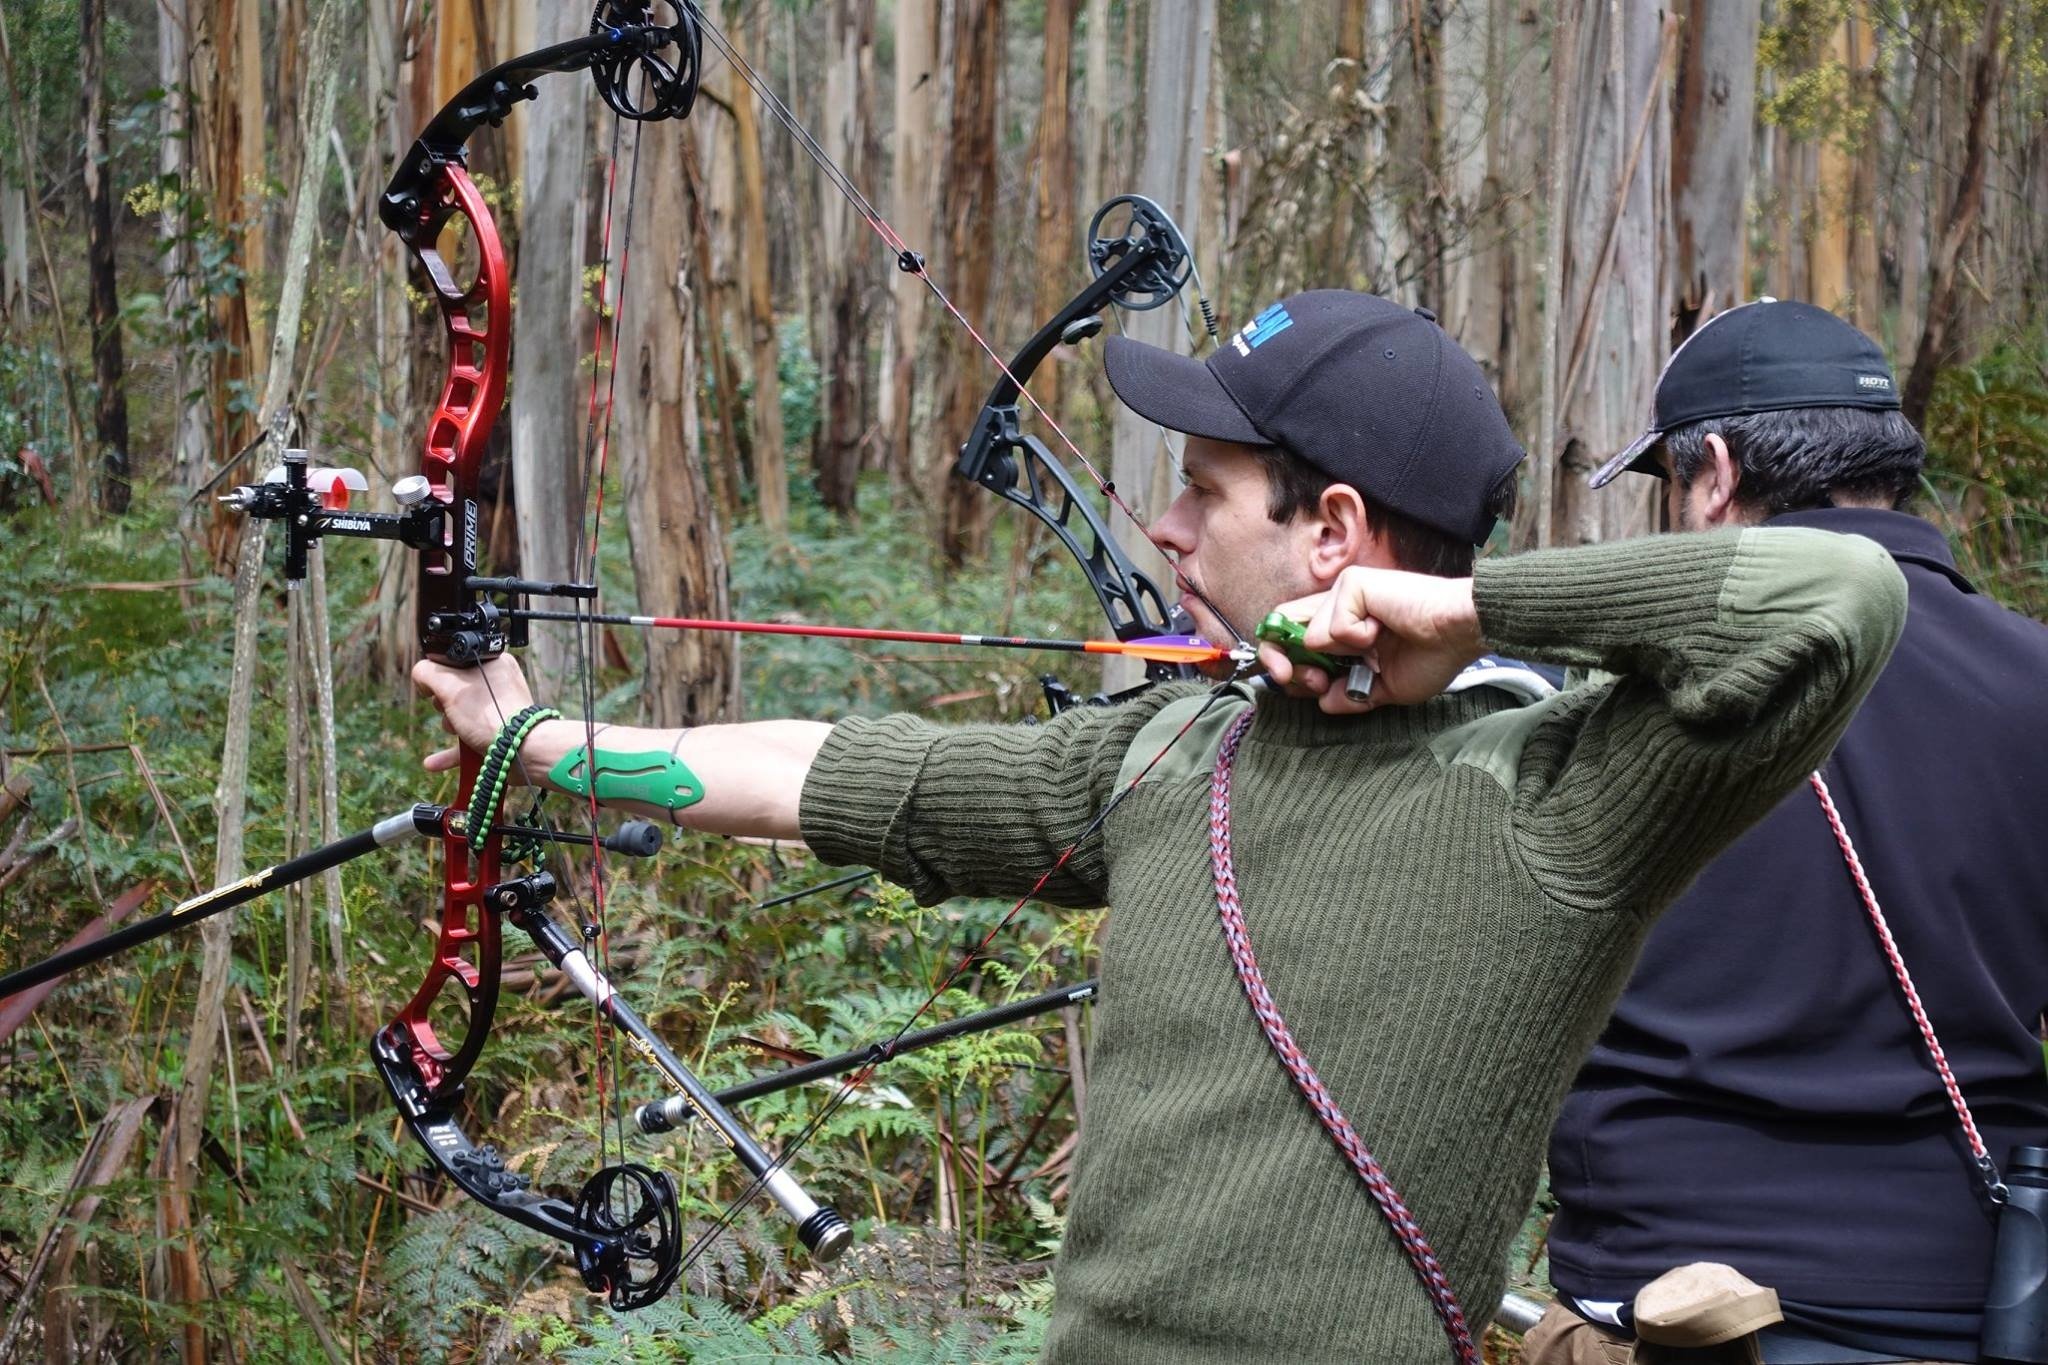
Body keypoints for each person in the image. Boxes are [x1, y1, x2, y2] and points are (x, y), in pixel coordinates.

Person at [416, 290, 1908, 1362]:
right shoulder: (1171, 747)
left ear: (1333, 531)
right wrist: (546, 742)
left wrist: (1463, 610)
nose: (1168, 531)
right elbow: (854, 779)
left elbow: (1843, 595)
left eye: (1205, 492)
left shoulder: (1559, 794)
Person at [1524, 300, 2048, 1365]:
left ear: (1712, 472)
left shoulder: (1621, 703)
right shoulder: (2034, 682)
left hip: (1671, 1296)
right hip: (1966, 1292)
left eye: (1672, 485)